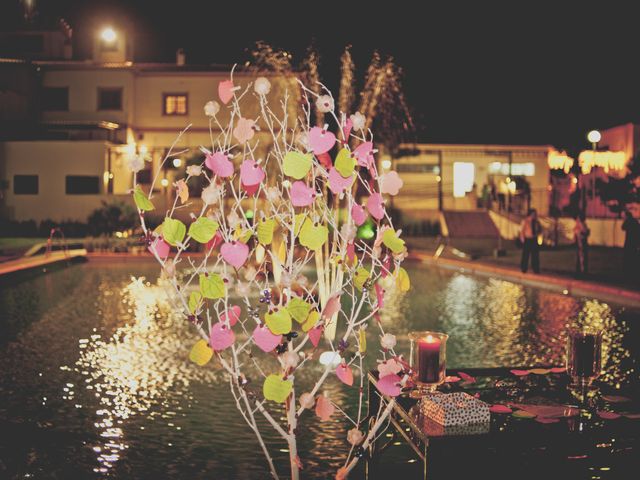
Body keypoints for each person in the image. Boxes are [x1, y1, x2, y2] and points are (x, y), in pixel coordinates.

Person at [519, 208, 541, 273]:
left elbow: (539, 230)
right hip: (527, 239)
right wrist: (523, 239)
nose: (535, 215)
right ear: (530, 214)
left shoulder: (537, 222)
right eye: (534, 214)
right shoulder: (525, 221)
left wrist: (538, 234)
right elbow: (522, 231)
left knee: (535, 255)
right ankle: (524, 268)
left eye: (535, 214)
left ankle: (536, 269)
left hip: (534, 239)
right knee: (526, 255)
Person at [622, 210, 640, 284]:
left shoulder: (628, 221)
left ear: (627, 216)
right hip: (634, 243)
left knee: (628, 258)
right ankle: (633, 274)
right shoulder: (635, 222)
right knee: (634, 258)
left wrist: (625, 220)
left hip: (629, 242)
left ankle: (628, 275)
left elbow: (623, 227)